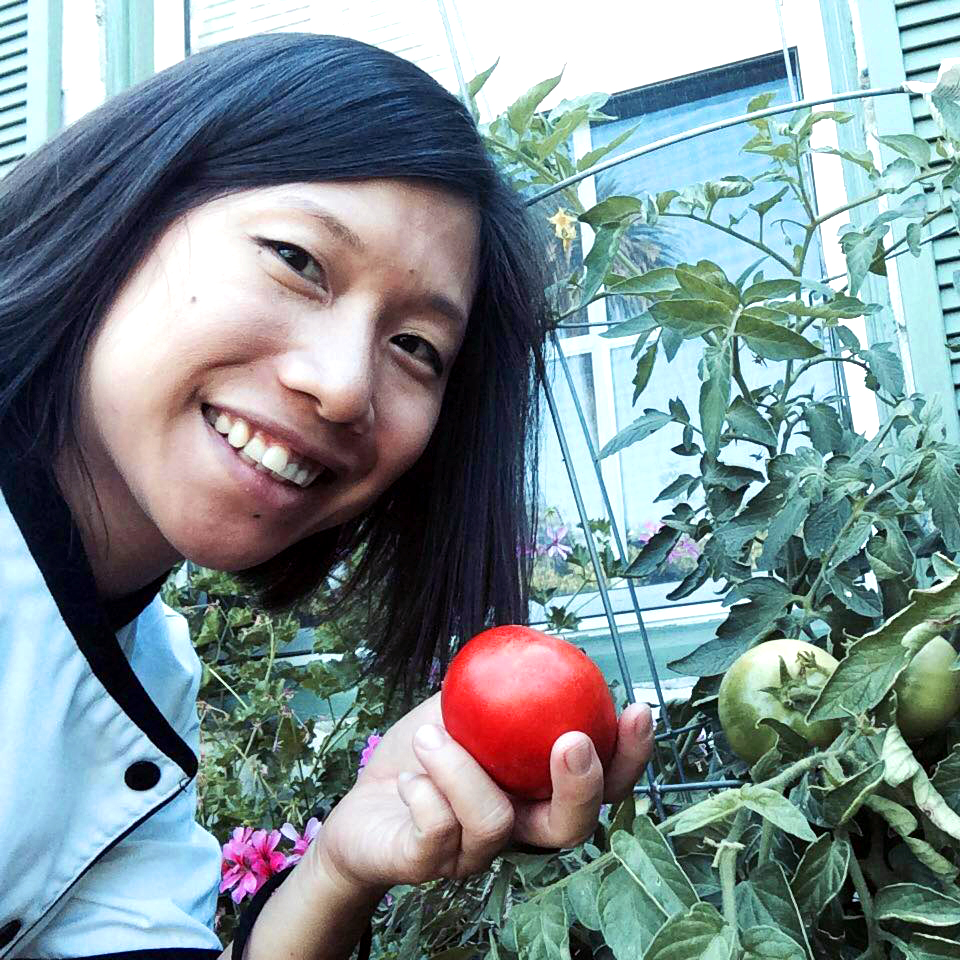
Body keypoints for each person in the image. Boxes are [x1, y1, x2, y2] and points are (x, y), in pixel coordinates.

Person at [0, 32, 653, 959]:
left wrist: (340, 869)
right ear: (126, 206)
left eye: (417, 347)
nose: (347, 386)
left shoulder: (150, 670)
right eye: (298, 260)